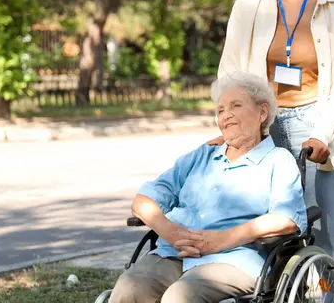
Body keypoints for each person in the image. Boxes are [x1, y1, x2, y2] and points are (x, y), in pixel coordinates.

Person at [216, 0, 334, 302]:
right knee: (269, 237)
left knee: (327, 242)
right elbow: (230, 73)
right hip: (265, 124)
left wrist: (324, 135)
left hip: (317, 122)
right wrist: (231, 126)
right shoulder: (248, 6)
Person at [109, 72, 307, 303]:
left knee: (179, 297)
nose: (226, 115)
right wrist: (172, 233)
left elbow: (286, 218)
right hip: (174, 253)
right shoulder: (201, 156)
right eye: (220, 110)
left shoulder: (278, 160)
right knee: (128, 289)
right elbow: (142, 202)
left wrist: (221, 240)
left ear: (262, 112)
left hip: (234, 259)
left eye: (236, 105)